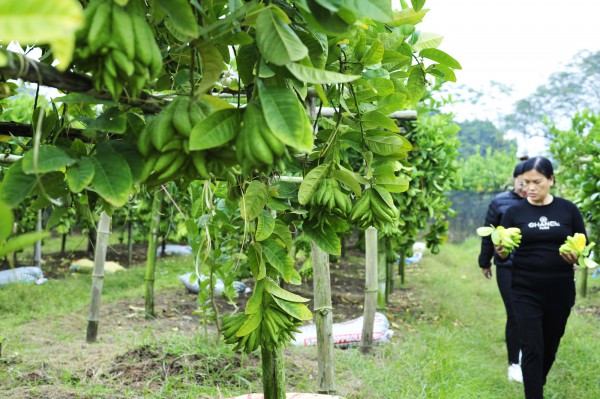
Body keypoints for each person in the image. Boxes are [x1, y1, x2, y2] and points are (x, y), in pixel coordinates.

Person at [497, 156, 585, 399]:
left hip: (560, 290)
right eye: (525, 183)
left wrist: (575, 258)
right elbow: (504, 254)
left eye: (537, 182)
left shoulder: (568, 210)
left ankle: (537, 381)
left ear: (551, 180)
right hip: (525, 289)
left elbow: (581, 245)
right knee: (532, 347)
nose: (530, 188)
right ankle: (534, 394)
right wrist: (500, 252)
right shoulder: (514, 212)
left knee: (550, 345)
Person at [478, 161, 527, 382]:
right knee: (515, 313)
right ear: (514, 179)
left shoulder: (541, 205)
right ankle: (514, 364)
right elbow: (488, 234)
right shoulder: (500, 203)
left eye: (533, 181)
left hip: (534, 268)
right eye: (522, 181)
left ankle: (526, 352)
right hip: (507, 266)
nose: (526, 186)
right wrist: (485, 261)